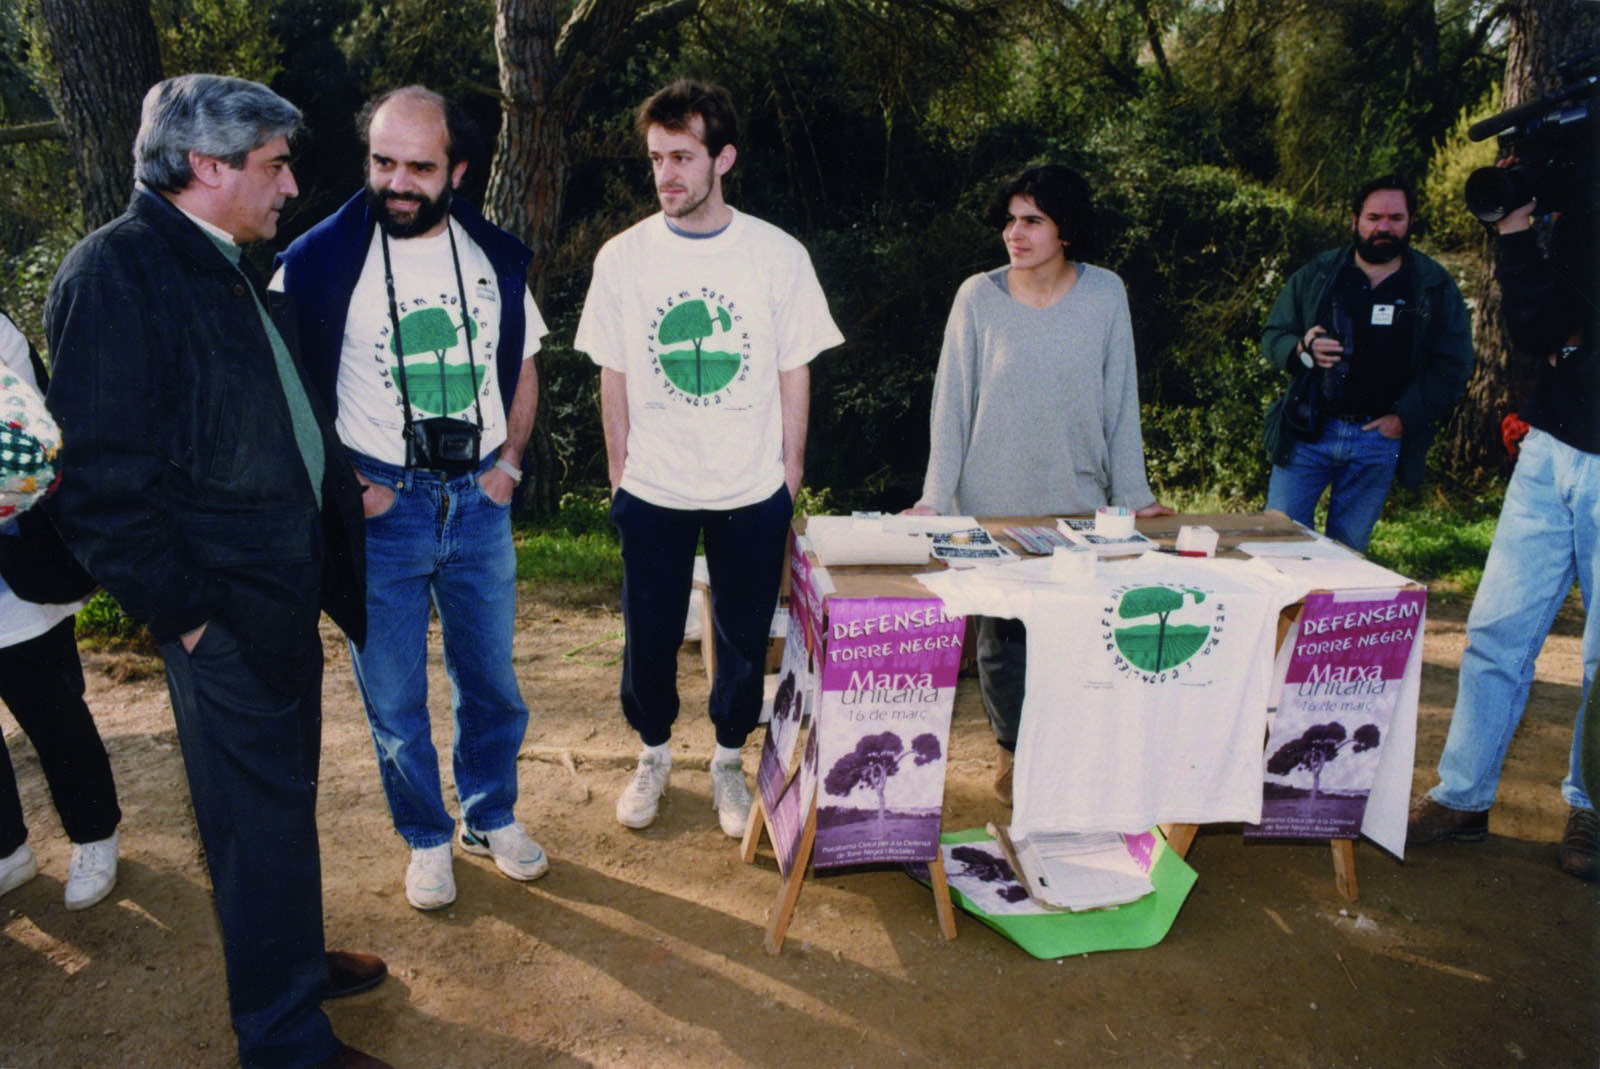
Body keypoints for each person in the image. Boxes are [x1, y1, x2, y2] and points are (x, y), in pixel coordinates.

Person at [42, 74, 387, 1069]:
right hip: (223, 612)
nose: (289, 188)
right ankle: (283, 1040)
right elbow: (99, 486)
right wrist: (187, 617)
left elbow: (254, 412)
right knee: (252, 819)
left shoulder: (224, 258)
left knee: (275, 807)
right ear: (206, 165)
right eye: (273, 166)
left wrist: (330, 486)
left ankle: (286, 961)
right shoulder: (114, 274)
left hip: (276, 593)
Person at [275, 86, 548, 912]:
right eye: (382, 161)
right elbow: (286, 390)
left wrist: (509, 463)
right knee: (393, 694)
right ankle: (426, 836)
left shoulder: (496, 255)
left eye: (418, 167)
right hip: (380, 508)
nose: (397, 181)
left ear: (456, 170)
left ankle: (489, 813)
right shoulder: (316, 259)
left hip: (478, 502)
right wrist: (346, 486)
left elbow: (525, 363)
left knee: (490, 679)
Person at [575, 79, 843, 837]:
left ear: (722, 157)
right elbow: (613, 370)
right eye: (657, 157)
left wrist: (789, 474)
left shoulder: (775, 254)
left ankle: (728, 758)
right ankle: (653, 753)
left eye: (683, 156)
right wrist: (619, 471)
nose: (666, 174)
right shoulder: (623, 257)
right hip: (654, 485)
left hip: (750, 484)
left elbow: (796, 366)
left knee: (741, 632)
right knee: (649, 633)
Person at [906, 164, 1170, 804]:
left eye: (1032, 221)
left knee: (1075, 638)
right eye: (1009, 220)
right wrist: (936, 497)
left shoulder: (1106, 295)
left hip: (1077, 501)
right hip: (992, 504)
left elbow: (1120, 401)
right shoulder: (977, 296)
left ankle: (1071, 758)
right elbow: (952, 403)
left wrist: (1134, 495)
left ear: (1066, 229)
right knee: (1002, 644)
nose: (1014, 234)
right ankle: (1013, 754)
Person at [1408, 170, 1599, 881]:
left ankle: (1592, 806)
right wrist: (1515, 229)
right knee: (1495, 628)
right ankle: (1463, 793)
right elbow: (1539, 327)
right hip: (1552, 443)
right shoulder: (1581, 210)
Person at [1261, 175, 1473, 552]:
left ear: (1410, 222)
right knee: (1280, 542)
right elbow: (1274, 334)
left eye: (1396, 218)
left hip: (1376, 440)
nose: (1384, 228)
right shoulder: (1320, 274)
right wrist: (1302, 348)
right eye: (1374, 217)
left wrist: (1404, 418)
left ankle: (1332, 613)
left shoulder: (1432, 285)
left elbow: (1453, 365)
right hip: (1309, 431)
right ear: (1356, 218)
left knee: (1349, 553)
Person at [0, 309, 121, 912]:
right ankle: (7, 848)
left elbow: (24, 444)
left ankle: (95, 834)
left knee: (51, 711)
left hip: (12, 570)